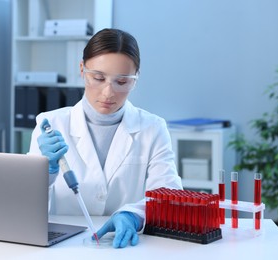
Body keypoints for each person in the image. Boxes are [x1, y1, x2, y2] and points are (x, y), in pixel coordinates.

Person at [29, 28, 182, 248]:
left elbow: (169, 195)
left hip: (126, 246)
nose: (108, 93)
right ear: (82, 70)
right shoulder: (50, 125)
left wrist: (133, 215)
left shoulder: (153, 128)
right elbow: (27, 208)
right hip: (64, 246)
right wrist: (46, 174)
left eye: (122, 82)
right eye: (98, 78)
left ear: (136, 78)